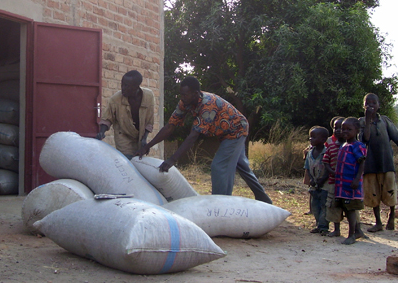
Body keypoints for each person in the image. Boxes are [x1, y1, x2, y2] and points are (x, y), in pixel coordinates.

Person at [137, 76, 272, 204]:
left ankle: (220, 205)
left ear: (196, 93)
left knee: (219, 167)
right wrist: (148, 145)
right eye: (181, 94)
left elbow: (193, 136)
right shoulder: (185, 102)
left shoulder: (208, 105)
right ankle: (263, 198)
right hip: (224, 132)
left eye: (185, 94)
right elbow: (170, 127)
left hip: (236, 131)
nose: (182, 98)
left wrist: (172, 160)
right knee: (242, 166)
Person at [359, 93, 398, 232]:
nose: (370, 105)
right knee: (373, 193)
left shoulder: (385, 121)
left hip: (386, 162)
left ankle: (392, 216)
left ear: (378, 105)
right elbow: (365, 140)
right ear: (363, 106)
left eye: (373, 103)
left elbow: (396, 137)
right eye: (367, 103)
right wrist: (368, 120)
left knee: (390, 190)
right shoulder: (361, 122)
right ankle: (378, 222)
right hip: (370, 164)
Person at [96, 70, 155, 159]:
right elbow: (107, 119)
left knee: (139, 160)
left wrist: (144, 139)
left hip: (140, 135)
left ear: (136, 86)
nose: (123, 88)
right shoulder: (115, 99)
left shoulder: (148, 96)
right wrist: (101, 132)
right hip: (123, 135)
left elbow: (149, 121)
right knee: (127, 160)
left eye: (127, 86)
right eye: (122, 84)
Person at [335, 117, 367, 245]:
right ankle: (356, 231)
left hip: (351, 184)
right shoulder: (344, 144)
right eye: (343, 129)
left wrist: (357, 179)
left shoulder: (357, 146)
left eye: (349, 129)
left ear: (357, 130)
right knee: (347, 209)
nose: (345, 131)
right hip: (342, 184)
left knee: (351, 209)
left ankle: (352, 234)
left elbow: (362, 162)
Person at [304, 126, 330, 235]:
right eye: (310, 137)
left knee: (324, 206)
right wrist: (311, 179)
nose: (311, 139)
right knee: (315, 206)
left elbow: (328, 169)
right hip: (314, 184)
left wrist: (322, 180)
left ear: (323, 139)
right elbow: (308, 168)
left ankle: (324, 227)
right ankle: (318, 224)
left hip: (324, 184)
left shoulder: (327, 152)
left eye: (314, 137)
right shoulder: (309, 153)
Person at [322, 116, 346, 237]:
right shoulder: (330, 145)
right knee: (333, 205)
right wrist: (332, 172)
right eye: (335, 128)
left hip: (348, 183)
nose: (337, 130)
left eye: (341, 128)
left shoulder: (352, 145)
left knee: (351, 207)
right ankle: (336, 229)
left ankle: (356, 229)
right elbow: (326, 161)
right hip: (334, 181)